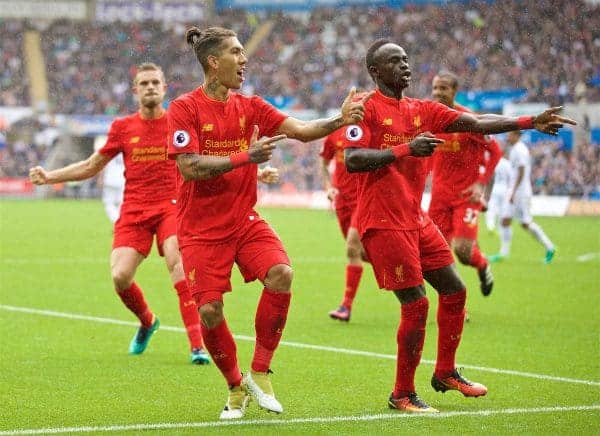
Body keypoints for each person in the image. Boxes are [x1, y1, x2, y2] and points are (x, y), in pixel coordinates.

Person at [343, 39, 576, 413]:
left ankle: (445, 372)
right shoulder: (364, 108)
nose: (405, 66)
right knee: (416, 304)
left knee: (454, 290)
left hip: (415, 220)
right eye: (394, 61)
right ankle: (402, 393)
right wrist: (405, 149)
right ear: (375, 71)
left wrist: (529, 122)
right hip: (383, 222)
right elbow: (353, 160)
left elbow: (477, 123)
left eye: (406, 59)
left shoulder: (423, 110)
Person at [167, 26, 371, 420]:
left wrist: (339, 119)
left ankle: (260, 371)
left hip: (244, 221)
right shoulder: (184, 109)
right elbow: (188, 167)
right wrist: (246, 157)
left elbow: (302, 132)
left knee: (281, 272)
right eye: (236, 53)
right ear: (214, 61)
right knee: (209, 312)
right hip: (198, 230)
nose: (244, 60)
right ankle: (235, 387)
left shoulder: (253, 106)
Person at [29, 63, 211, 364]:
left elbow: (206, 158)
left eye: (155, 82)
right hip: (134, 210)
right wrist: (50, 176)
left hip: (171, 206)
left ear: (164, 88)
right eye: (144, 83)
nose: (150, 87)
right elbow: (91, 166)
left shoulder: (179, 123)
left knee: (178, 264)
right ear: (135, 90)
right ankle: (147, 321)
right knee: (120, 276)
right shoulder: (123, 128)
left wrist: (251, 169)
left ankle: (197, 346)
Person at [429, 71, 502, 296]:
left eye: (444, 88)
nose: (438, 93)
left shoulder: (467, 120)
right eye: (435, 88)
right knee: (438, 253)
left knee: (462, 251)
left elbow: (495, 151)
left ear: (454, 91)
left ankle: (482, 265)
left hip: (465, 196)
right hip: (439, 197)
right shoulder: (429, 117)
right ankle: (456, 303)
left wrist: (480, 184)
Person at [320, 128, 367, 321]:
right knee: (363, 253)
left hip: (364, 199)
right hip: (342, 202)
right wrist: (329, 187)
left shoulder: (368, 131)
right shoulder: (334, 134)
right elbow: (323, 164)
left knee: (352, 248)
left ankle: (346, 307)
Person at [488, 131, 556, 263]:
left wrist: (513, 191)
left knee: (526, 223)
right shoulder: (515, 149)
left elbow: (521, 171)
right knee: (505, 220)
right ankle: (503, 253)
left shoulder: (519, 150)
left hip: (521, 193)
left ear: (516, 135)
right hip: (514, 191)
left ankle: (550, 247)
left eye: (510, 134)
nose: (508, 137)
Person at [485, 154, 512, 234]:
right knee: (503, 209)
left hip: (494, 188)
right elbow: (510, 177)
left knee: (491, 208)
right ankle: (501, 228)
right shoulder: (507, 163)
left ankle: (490, 226)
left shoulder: (493, 162)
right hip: (504, 189)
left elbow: (489, 176)